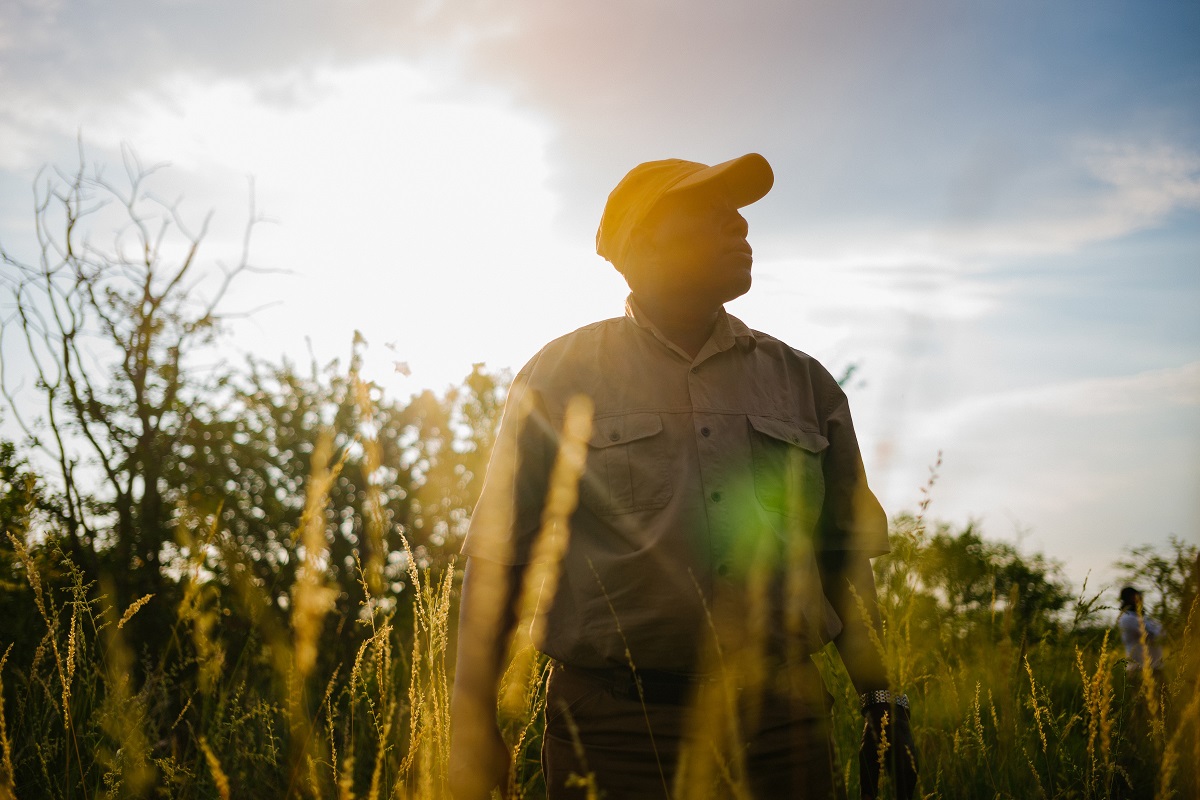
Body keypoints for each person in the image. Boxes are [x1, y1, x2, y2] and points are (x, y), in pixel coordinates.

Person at [449, 153, 918, 799]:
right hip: (615, 732)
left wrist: (881, 698)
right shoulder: (559, 375)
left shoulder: (803, 382)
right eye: (712, 212)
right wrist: (473, 721)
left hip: (780, 730)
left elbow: (841, 556)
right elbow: (501, 557)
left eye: (740, 214)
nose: (740, 227)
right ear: (640, 240)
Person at [1117, 586, 1164, 677]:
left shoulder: (1143, 617)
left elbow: (1161, 633)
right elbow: (1153, 635)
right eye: (1137, 596)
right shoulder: (1128, 618)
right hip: (1139, 669)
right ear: (1130, 598)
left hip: (1155, 667)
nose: (1141, 599)